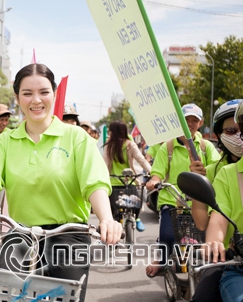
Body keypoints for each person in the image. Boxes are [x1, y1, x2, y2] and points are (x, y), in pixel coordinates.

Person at [0, 64, 122, 302]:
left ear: (54, 94)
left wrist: (107, 219)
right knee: (3, 295)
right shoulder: (6, 141)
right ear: (17, 98)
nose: (36, 100)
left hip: (68, 234)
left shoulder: (77, 138)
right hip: (20, 232)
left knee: (67, 296)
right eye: (27, 93)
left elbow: (94, 183)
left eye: (43, 92)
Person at [145, 103, 220, 278]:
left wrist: (204, 171)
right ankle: (162, 261)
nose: (191, 124)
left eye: (195, 120)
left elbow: (218, 167)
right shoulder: (168, 147)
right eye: (187, 120)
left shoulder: (205, 146)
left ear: (200, 123)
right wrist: (154, 181)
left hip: (199, 200)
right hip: (172, 199)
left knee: (205, 238)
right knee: (168, 237)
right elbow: (157, 173)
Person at [189, 99, 242, 302]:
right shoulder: (219, 173)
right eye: (231, 131)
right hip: (228, 257)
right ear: (219, 135)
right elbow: (205, 222)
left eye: (241, 128)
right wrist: (197, 183)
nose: (239, 135)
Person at [103, 120, 151, 232]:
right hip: (127, 182)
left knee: (117, 208)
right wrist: (152, 171)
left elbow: (104, 162)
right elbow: (141, 160)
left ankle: (136, 219)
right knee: (136, 202)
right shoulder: (110, 145)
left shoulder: (128, 145)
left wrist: (153, 173)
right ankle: (136, 218)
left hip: (116, 182)